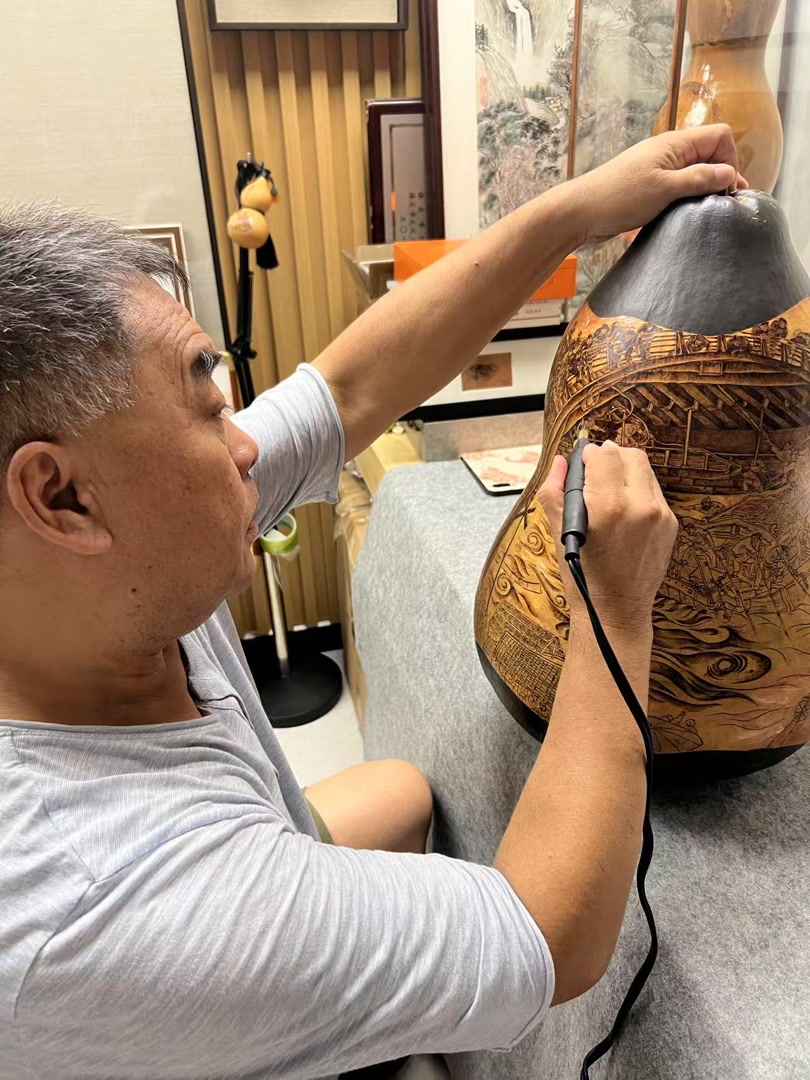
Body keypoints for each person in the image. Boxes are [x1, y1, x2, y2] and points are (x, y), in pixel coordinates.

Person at [0, 126, 743, 1079]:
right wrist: (616, 610)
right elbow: (549, 936)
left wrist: (574, 210)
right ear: (61, 496)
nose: (244, 443)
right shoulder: (104, 903)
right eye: (208, 411)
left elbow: (346, 393)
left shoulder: (88, 573)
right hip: (163, 973)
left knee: (401, 791)